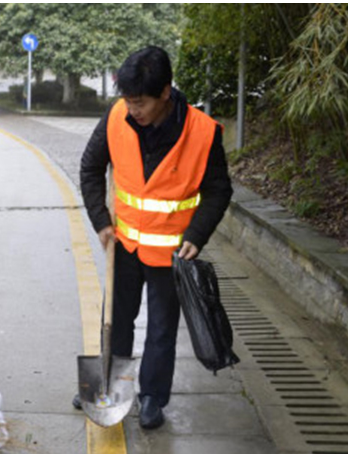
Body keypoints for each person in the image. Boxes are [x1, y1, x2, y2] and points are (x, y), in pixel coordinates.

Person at [77, 46, 233, 429]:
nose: (133, 109)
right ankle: (110, 386)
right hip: (124, 245)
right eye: (129, 100)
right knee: (117, 321)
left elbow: (218, 190)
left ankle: (152, 398)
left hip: (170, 252)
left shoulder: (202, 132)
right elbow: (91, 167)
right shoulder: (116, 117)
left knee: (162, 329)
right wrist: (101, 220)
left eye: (141, 102)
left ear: (165, 92)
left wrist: (198, 233)